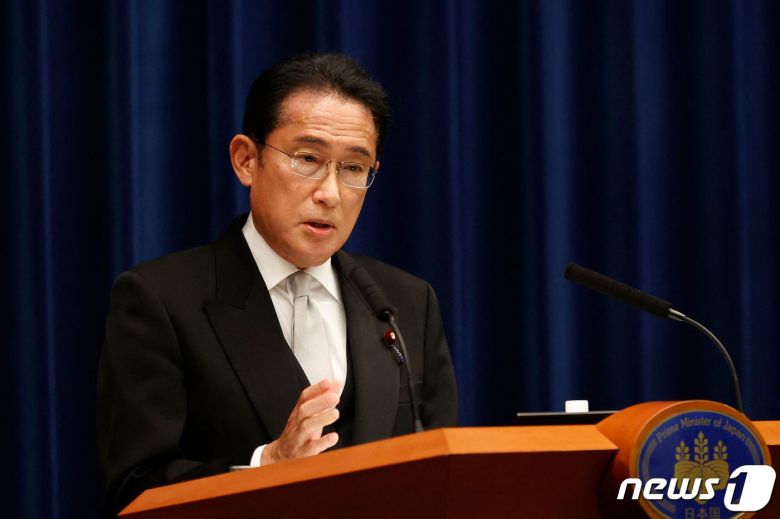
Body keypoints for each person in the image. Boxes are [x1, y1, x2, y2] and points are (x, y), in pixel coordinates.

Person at [97, 53, 458, 515]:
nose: (330, 193)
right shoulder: (161, 300)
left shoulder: (405, 302)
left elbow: (442, 475)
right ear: (247, 160)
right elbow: (133, 493)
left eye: (353, 168)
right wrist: (267, 463)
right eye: (308, 159)